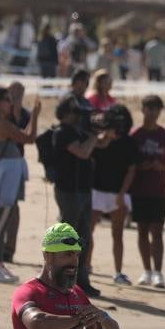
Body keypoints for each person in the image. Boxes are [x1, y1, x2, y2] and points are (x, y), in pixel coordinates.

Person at [0, 87, 41, 283]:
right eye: (7, 100)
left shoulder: (1, 122)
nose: (11, 103)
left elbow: (24, 135)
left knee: (4, 219)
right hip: (7, 172)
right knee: (1, 221)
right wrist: (35, 116)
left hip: (10, 171)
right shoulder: (0, 124)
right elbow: (29, 138)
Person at [130, 95, 165, 287]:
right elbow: (128, 162)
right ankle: (147, 270)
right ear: (142, 109)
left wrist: (162, 167)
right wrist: (141, 165)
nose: (152, 113)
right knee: (142, 230)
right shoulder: (135, 135)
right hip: (138, 190)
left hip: (159, 191)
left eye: (156, 109)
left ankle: (158, 272)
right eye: (149, 109)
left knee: (157, 231)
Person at [52, 97, 100, 296]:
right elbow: (82, 152)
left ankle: (80, 281)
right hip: (68, 190)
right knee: (68, 237)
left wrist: (101, 131)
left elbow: (99, 146)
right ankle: (59, 280)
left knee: (84, 237)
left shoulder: (80, 132)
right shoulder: (62, 132)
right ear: (65, 113)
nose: (79, 116)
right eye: (75, 112)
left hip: (83, 190)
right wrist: (94, 136)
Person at [89, 105, 138, 285]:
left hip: (118, 192)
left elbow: (131, 170)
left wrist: (122, 193)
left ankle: (118, 272)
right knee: (88, 230)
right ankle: (86, 266)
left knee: (117, 233)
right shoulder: (98, 140)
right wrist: (102, 139)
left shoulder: (129, 142)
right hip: (97, 190)